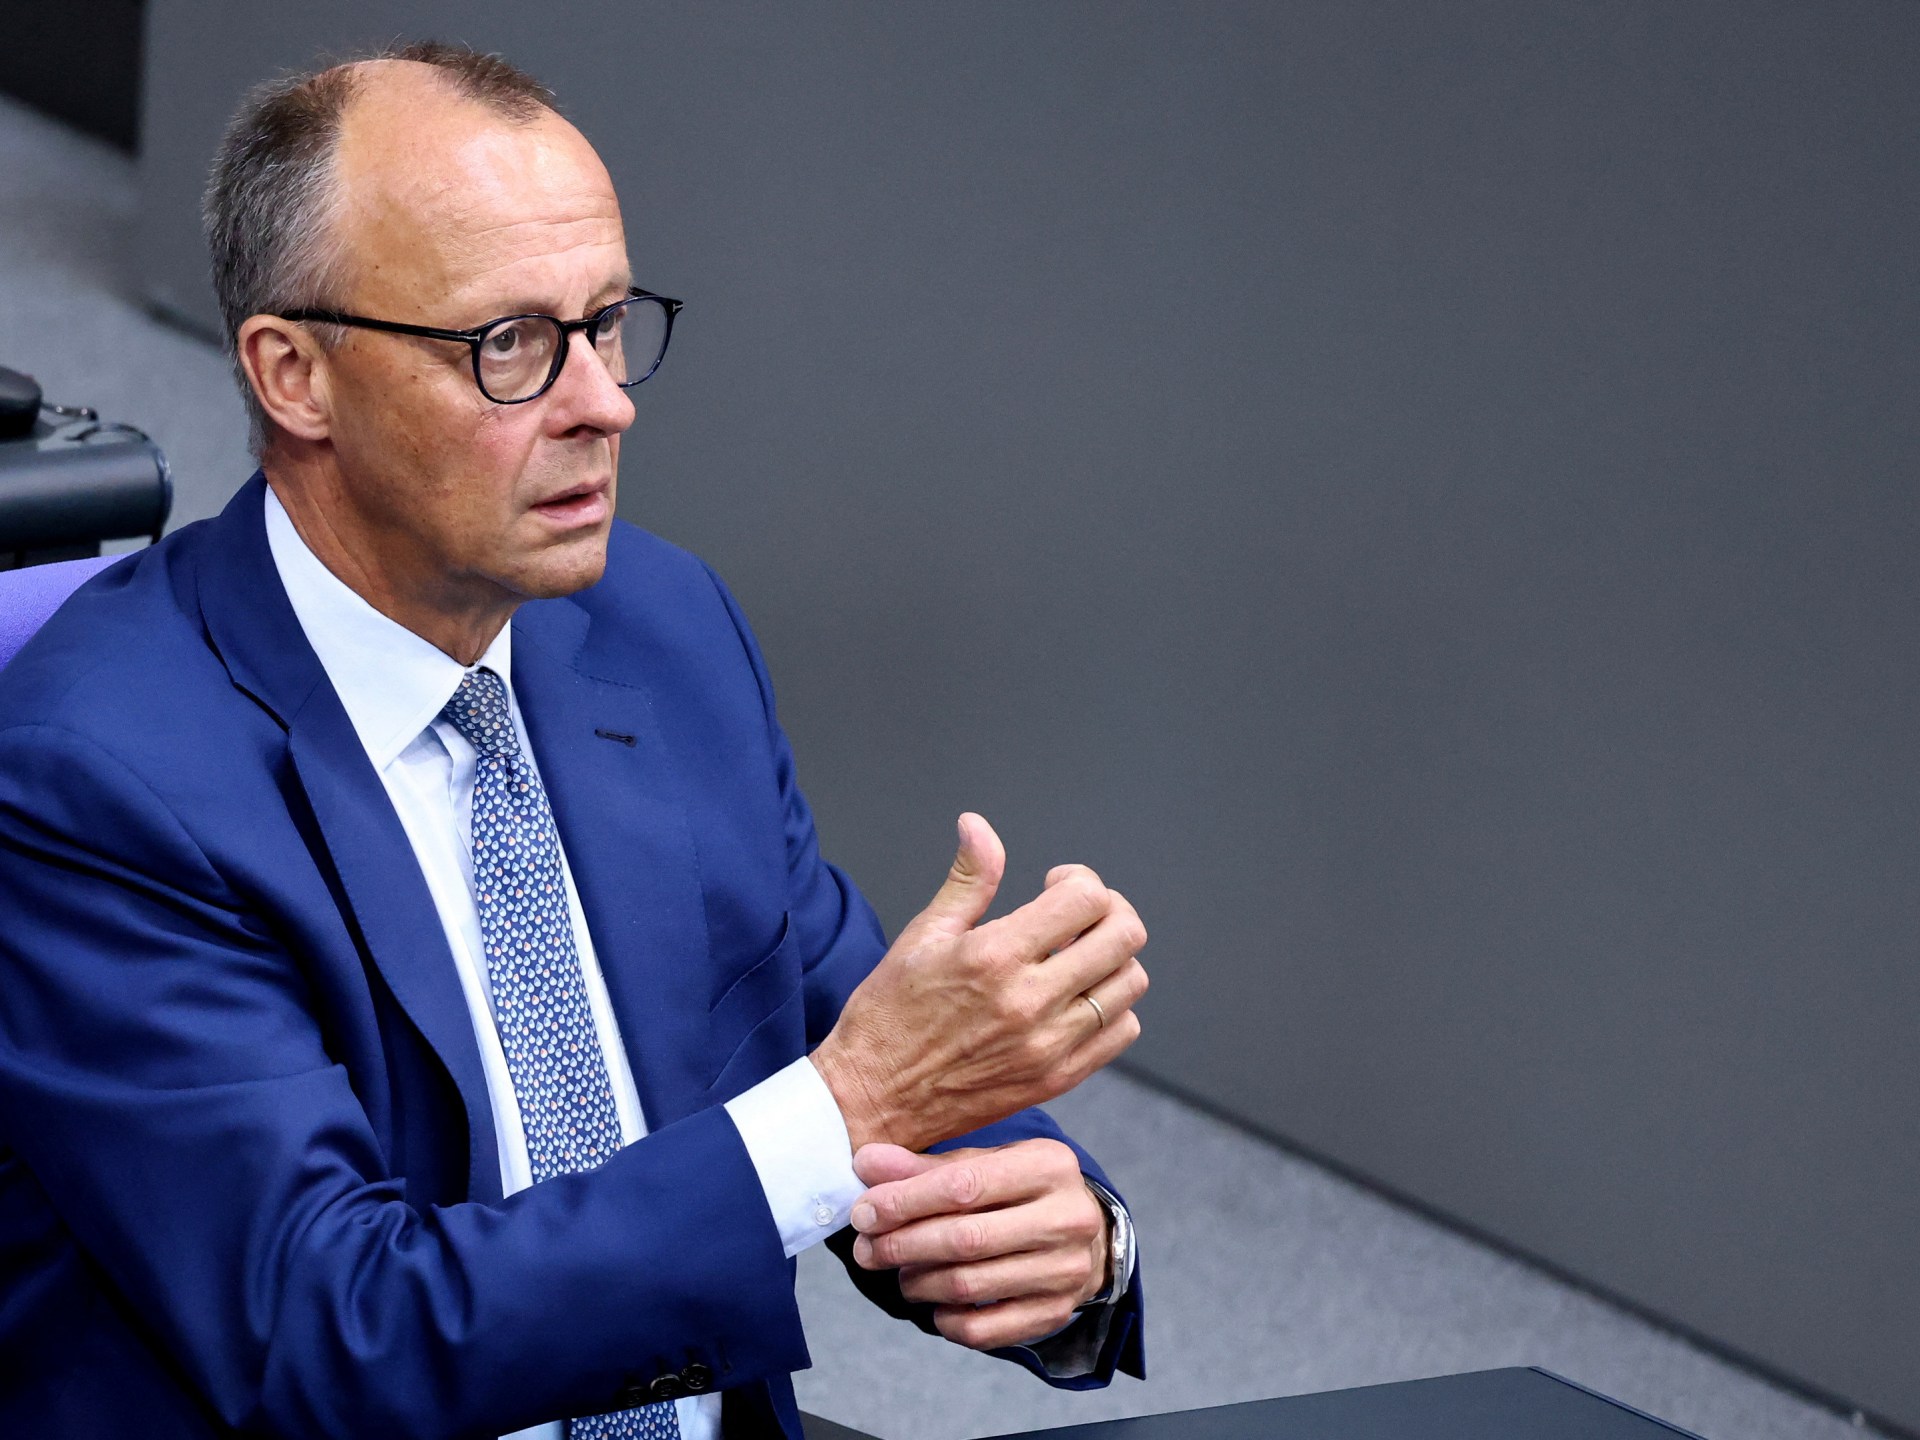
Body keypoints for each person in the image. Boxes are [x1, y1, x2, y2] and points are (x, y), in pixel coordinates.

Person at [0, 41, 1148, 1440]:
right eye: (511, 345)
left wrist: (1061, 1233)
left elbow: (842, 1030)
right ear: (295, 375)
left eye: (605, 323)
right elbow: (335, 1334)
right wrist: (842, 1111)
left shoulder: (658, 628)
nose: (605, 400)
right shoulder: (99, 779)